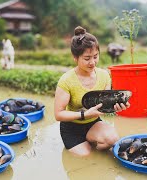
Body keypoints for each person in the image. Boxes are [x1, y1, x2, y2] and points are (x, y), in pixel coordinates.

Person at [54, 26, 130, 156]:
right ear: (75, 57)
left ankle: (93, 142)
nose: (92, 62)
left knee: (112, 139)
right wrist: (84, 115)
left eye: (95, 56)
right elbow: (58, 114)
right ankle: (84, 145)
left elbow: (103, 106)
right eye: (87, 58)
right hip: (71, 127)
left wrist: (114, 108)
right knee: (85, 155)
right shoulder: (66, 80)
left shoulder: (104, 75)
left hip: (93, 123)